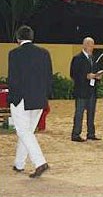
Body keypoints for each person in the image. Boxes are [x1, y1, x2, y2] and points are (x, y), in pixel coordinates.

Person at [8, 25, 52, 178]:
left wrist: (12, 99)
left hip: (21, 99)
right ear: (32, 37)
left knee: (23, 131)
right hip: (39, 99)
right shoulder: (44, 53)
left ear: (18, 39)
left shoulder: (14, 54)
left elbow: (13, 78)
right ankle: (19, 163)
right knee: (27, 132)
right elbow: (48, 78)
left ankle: (40, 162)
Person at [70, 37, 103, 142]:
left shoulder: (93, 58)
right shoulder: (77, 58)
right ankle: (76, 134)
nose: (91, 47)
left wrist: (98, 76)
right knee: (79, 113)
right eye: (89, 44)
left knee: (91, 113)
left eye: (92, 44)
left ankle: (91, 133)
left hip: (92, 90)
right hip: (81, 90)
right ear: (84, 45)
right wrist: (86, 76)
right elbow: (73, 74)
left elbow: (95, 71)